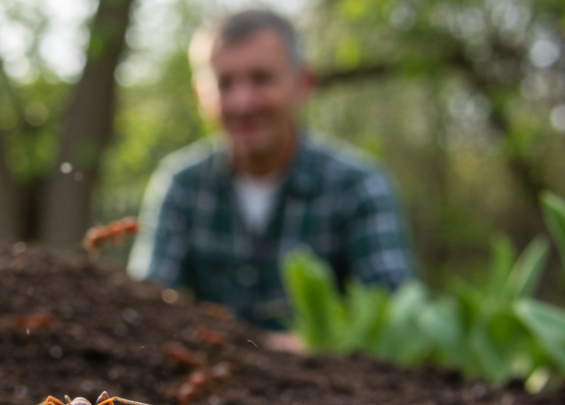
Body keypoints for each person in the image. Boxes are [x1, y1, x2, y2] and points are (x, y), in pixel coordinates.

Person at [127, 10, 417, 331]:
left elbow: (396, 318)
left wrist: (313, 347)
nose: (243, 102)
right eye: (225, 84)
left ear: (303, 84)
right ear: (200, 94)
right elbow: (145, 308)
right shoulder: (181, 185)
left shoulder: (359, 186)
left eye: (261, 79)